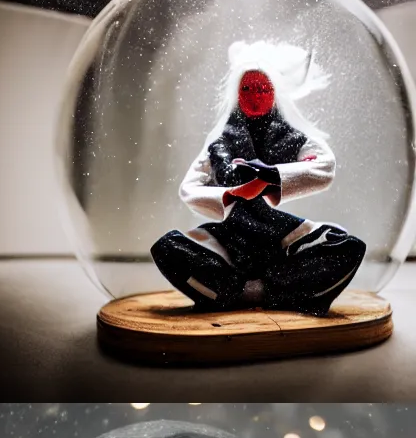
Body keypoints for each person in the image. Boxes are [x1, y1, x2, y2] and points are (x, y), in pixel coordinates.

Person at [149, 41, 366, 317]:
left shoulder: (292, 136)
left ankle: (266, 290)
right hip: (231, 234)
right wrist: (231, 194)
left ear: (275, 93)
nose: (255, 96)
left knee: (347, 247)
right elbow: (189, 188)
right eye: (248, 89)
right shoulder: (220, 142)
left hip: (282, 234)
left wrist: (272, 175)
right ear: (237, 93)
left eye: (263, 89)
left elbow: (325, 167)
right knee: (168, 248)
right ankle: (235, 290)